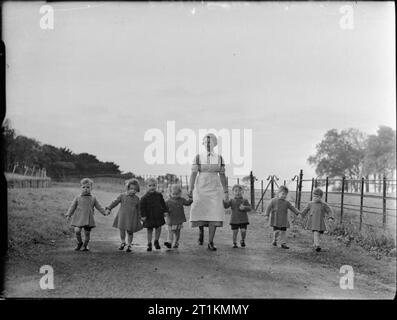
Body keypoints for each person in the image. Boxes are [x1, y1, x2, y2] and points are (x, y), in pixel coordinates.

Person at [188, 133, 228, 251]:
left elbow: (222, 175)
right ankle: (201, 230)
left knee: (215, 213)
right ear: (203, 143)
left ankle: (210, 242)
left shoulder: (219, 158)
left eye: (210, 142)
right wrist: (190, 189)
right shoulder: (198, 157)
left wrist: (225, 191)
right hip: (201, 187)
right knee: (201, 210)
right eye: (206, 142)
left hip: (215, 188)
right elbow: (193, 174)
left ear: (215, 143)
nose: (208, 144)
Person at [65, 178, 108, 251]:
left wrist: (104, 212)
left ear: (91, 188)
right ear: (81, 188)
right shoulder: (78, 197)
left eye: (88, 187)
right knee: (77, 230)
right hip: (79, 218)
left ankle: (85, 245)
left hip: (88, 219)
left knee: (87, 234)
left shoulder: (93, 198)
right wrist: (69, 215)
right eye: (83, 187)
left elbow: (99, 206)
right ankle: (79, 242)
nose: (86, 189)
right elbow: (72, 206)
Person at [105, 179, 143, 253]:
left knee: (130, 231)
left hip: (132, 218)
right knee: (122, 230)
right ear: (128, 188)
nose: (133, 191)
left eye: (135, 189)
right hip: (122, 217)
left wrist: (141, 217)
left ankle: (129, 245)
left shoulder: (137, 199)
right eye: (131, 189)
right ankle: (123, 242)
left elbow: (139, 209)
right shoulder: (122, 196)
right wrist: (109, 208)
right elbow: (115, 202)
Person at [300, 188, 334, 252]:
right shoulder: (310, 204)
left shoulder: (323, 204)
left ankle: (315, 243)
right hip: (313, 221)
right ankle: (317, 245)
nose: (315, 198)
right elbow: (305, 210)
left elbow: (329, 211)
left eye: (317, 196)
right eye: (314, 196)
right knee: (316, 232)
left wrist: (330, 217)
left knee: (319, 233)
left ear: (321, 197)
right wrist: (301, 215)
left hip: (320, 222)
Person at [140, 178, 168, 251]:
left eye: (154, 185)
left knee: (158, 228)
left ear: (156, 186)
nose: (152, 187)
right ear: (146, 186)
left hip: (158, 215)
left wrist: (165, 211)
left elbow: (163, 204)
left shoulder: (159, 195)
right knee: (149, 230)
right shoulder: (144, 197)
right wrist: (143, 216)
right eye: (150, 185)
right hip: (149, 216)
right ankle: (149, 243)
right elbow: (142, 208)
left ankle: (156, 241)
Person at [164, 184, 193, 249]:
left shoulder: (181, 199)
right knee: (170, 231)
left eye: (177, 194)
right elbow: (164, 209)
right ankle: (169, 242)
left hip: (178, 220)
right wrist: (164, 213)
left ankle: (176, 242)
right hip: (170, 220)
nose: (175, 196)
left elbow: (187, 203)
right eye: (174, 194)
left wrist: (190, 198)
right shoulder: (167, 201)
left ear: (180, 193)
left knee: (177, 232)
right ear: (170, 193)